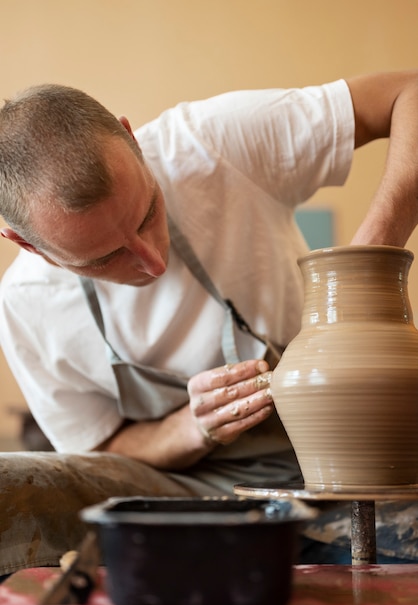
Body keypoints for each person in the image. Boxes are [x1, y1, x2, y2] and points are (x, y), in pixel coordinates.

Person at [0, 70, 418, 577]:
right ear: (27, 245)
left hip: (361, 452)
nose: (152, 261)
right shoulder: (25, 306)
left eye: (147, 212)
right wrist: (192, 428)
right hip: (195, 486)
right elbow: (101, 448)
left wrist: (370, 256)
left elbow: (408, 93)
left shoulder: (209, 142)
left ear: (132, 140)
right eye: (105, 257)